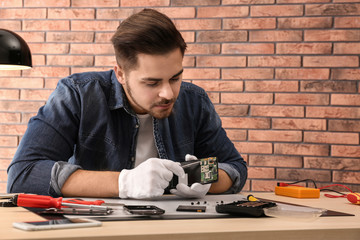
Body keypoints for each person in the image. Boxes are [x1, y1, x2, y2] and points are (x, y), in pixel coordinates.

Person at [7, 9, 247, 199]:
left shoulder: (195, 100)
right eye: (152, 82)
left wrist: (205, 181)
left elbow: (234, 167)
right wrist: (125, 183)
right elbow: (24, 174)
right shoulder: (77, 94)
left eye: (175, 78)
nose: (168, 93)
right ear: (120, 74)